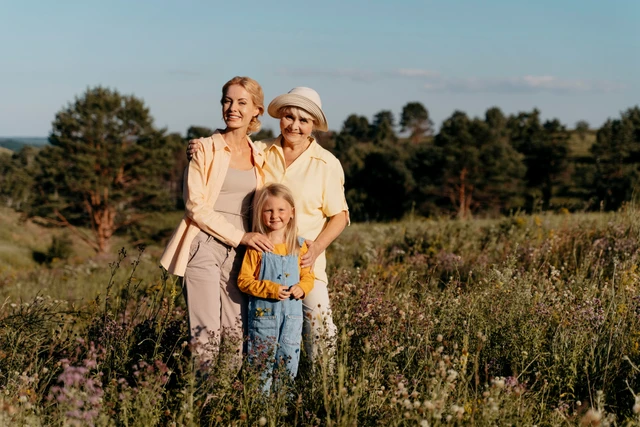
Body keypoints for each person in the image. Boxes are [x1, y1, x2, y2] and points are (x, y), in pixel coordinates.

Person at [189, 87, 349, 362]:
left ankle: (322, 391)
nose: (294, 126)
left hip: (304, 263)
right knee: (258, 332)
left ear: (313, 126)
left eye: (303, 120)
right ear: (280, 118)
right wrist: (200, 145)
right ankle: (258, 393)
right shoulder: (259, 150)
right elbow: (229, 144)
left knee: (319, 327)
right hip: (259, 261)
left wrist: (316, 249)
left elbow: (340, 216)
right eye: (289, 117)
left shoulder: (327, 163)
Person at [161, 76, 275, 369]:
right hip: (205, 245)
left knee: (235, 339)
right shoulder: (206, 149)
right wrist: (241, 237)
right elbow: (195, 206)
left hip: (241, 255)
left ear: (256, 111)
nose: (232, 108)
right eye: (227, 100)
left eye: (241, 102)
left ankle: (221, 408)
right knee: (205, 338)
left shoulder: (260, 154)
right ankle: (198, 407)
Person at [237, 183, 314, 391]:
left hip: (292, 320)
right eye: (268, 210)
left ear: (291, 213)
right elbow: (244, 280)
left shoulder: (299, 246)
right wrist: (270, 289)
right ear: (261, 213)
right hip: (263, 320)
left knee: (287, 365)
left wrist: (302, 288)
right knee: (260, 365)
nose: (274, 215)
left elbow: (308, 276)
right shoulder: (257, 246)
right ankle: (259, 411)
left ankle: (282, 412)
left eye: (281, 210)